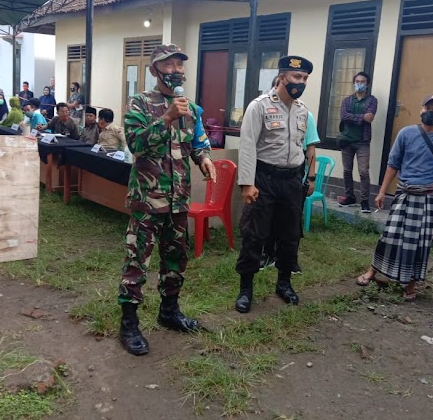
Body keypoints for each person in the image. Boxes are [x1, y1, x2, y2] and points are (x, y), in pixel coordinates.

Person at [118, 44, 216, 356]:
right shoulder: (140, 103)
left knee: (175, 259)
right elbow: (136, 145)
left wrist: (204, 158)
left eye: (179, 65)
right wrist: (168, 117)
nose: (175, 70)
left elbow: (197, 142)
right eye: (168, 64)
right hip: (148, 199)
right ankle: (129, 323)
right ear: (154, 70)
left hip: (178, 199)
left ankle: (169, 311)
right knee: (137, 261)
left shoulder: (191, 107)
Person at [356, 95, 433, 301]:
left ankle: (410, 285)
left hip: (430, 198)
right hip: (405, 194)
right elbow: (393, 164)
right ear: (421, 109)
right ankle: (373, 272)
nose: (432, 112)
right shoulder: (406, 133)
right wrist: (382, 191)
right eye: (428, 107)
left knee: (419, 243)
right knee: (389, 235)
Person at [235, 55, 313, 314]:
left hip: (291, 181)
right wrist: (247, 183)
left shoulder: (303, 110)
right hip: (264, 179)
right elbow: (246, 146)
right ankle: (246, 288)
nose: (300, 82)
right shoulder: (259, 106)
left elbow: (303, 146)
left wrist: (306, 176)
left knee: (290, 233)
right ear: (282, 77)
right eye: (295, 77)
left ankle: (284, 283)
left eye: (304, 79)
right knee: (255, 234)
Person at [261, 75, 319, 274]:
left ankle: (290, 260)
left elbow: (310, 149)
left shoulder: (305, 114)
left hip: (296, 174)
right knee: (267, 220)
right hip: (269, 176)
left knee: (292, 223)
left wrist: (311, 178)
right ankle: (267, 254)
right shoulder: (264, 109)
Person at [337, 71, 378, 213]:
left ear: (367, 84)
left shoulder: (372, 100)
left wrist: (353, 117)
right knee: (347, 170)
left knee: (363, 172)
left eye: (363, 82)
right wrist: (361, 117)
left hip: (362, 142)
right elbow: (344, 116)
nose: (359, 84)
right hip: (346, 140)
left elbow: (370, 117)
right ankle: (350, 197)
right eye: (357, 81)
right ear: (354, 83)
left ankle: (365, 201)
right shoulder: (347, 100)